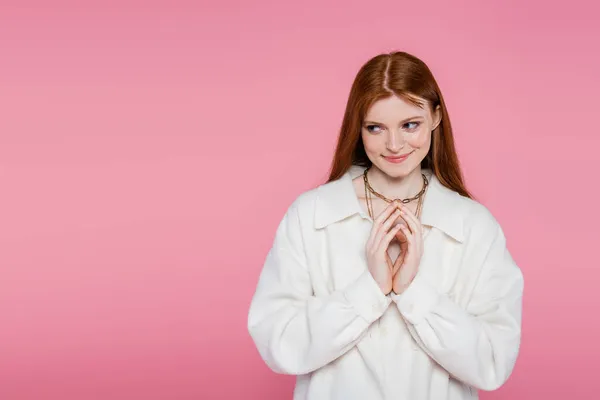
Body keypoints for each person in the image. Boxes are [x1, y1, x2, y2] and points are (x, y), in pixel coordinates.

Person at [247, 51, 524, 400]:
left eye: (410, 124)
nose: (394, 145)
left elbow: (492, 362)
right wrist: (370, 290)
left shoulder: (474, 226)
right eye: (375, 127)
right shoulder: (311, 215)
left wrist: (413, 292)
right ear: (357, 127)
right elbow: (278, 342)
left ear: (436, 117)